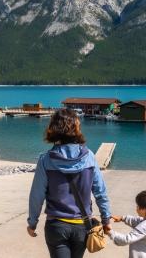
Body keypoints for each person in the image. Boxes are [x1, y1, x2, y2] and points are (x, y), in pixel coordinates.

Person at [27, 109, 112, 258]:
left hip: (56, 225)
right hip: (82, 225)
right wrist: (106, 219)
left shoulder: (45, 160)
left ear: (53, 129)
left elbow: (37, 195)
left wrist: (32, 222)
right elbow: (100, 192)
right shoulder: (89, 157)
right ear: (76, 128)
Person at [109, 190, 146, 258]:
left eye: (138, 206)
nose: (136, 207)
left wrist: (110, 232)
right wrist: (123, 218)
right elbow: (139, 221)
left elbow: (125, 240)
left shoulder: (143, 228)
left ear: (144, 210)